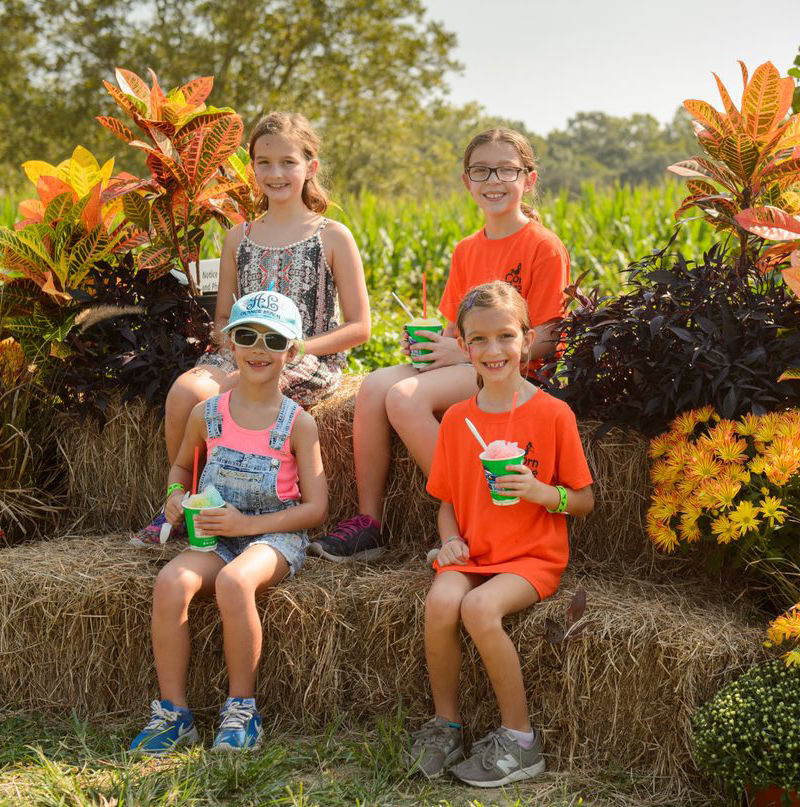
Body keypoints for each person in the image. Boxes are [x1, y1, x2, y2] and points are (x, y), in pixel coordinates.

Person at [310, 127, 570, 562]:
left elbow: (548, 336)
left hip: (512, 372)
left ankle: (475, 514)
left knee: (405, 399)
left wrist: (465, 352)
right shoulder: (467, 250)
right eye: (481, 171)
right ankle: (369, 522)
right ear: (467, 182)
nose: (493, 181)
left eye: (506, 170)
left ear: (529, 179)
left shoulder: (543, 246)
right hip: (468, 363)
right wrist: (429, 344)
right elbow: (454, 328)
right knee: (375, 385)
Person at [133, 110, 369, 546]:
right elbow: (223, 319)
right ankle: (185, 504)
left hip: (303, 356)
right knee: (187, 393)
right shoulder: (239, 238)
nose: (275, 173)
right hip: (239, 348)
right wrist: (235, 341)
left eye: (288, 162)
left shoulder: (333, 236)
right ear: (252, 166)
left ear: (309, 167)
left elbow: (360, 327)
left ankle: (230, 510)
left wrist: (295, 346)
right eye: (264, 162)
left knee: (232, 391)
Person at [405, 281, 594, 786]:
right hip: (474, 554)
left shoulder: (554, 414)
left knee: (478, 607)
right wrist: (449, 540)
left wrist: (539, 492)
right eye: (479, 340)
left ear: (526, 341)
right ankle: (446, 725)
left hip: (532, 557)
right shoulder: (458, 420)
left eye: (505, 336)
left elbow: (584, 500)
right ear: (463, 346)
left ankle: (520, 740)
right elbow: (447, 501)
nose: (493, 350)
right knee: (442, 601)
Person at [129, 290, 328, 753]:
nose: (259, 349)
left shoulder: (297, 423)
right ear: (229, 344)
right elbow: (181, 469)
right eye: (247, 336)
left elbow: (316, 509)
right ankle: (173, 713)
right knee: (170, 582)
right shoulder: (207, 414)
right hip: (217, 533)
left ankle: (242, 710)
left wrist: (246, 527)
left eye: (273, 340)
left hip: (274, 536)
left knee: (236, 583)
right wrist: (176, 498)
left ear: (292, 351)